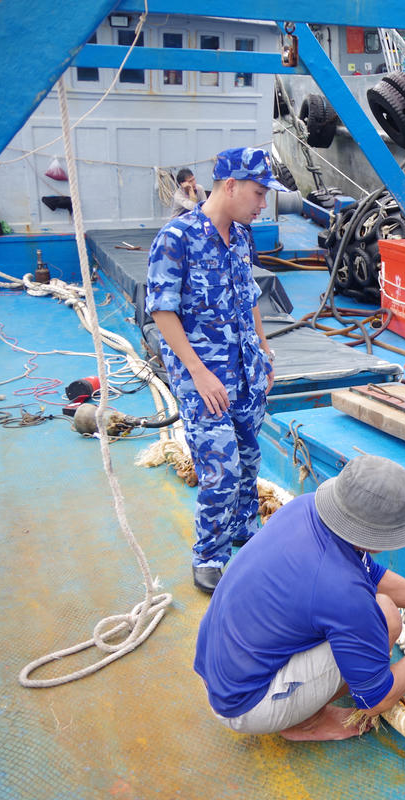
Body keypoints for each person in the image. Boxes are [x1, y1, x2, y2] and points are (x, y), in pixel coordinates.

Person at [195, 455, 405, 741]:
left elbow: (369, 573)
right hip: (245, 704)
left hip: (220, 669)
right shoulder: (344, 591)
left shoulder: (305, 507)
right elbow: (374, 700)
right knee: (386, 621)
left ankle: (303, 699)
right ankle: (307, 721)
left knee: (383, 612)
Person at [146, 147, 290, 593]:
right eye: (258, 192)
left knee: (248, 461)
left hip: (246, 371)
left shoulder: (242, 237)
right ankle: (209, 554)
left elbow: (249, 297)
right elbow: (162, 310)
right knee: (221, 468)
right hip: (203, 381)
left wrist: (264, 350)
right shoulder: (177, 238)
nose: (262, 203)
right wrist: (197, 373)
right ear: (230, 185)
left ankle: (246, 529)